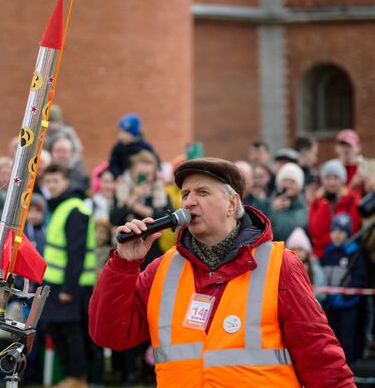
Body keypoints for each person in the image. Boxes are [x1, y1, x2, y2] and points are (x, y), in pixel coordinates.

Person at [89, 157, 355, 387]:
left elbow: (320, 358)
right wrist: (124, 264)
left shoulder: (279, 264)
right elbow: (109, 334)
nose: (189, 202)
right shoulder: (163, 269)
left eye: (202, 193)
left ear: (232, 203)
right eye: (185, 194)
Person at [41, 164, 98, 388]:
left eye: (56, 181)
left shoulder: (74, 208)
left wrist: (68, 289)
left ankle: (78, 378)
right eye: (48, 182)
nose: (51, 186)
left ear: (66, 182)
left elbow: (77, 253)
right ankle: (70, 378)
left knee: (72, 334)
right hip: (56, 283)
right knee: (58, 331)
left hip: (71, 286)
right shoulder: (60, 206)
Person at [321, 213, 368, 365]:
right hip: (331, 305)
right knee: (333, 337)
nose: (337, 235)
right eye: (334, 231)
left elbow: (360, 277)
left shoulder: (354, 253)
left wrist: (347, 295)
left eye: (341, 232)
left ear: (347, 233)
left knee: (349, 337)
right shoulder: (327, 254)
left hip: (348, 305)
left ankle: (351, 366)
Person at [308, 159, 362, 259]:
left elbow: (353, 228)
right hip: (322, 254)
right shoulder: (317, 202)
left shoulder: (352, 200)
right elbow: (315, 231)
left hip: (345, 253)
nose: (332, 183)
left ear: (342, 180)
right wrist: (324, 204)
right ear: (323, 181)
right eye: (328, 178)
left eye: (336, 178)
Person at [264, 162, 308, 241]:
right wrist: (272, 210)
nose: (288, 185)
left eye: (292, 182)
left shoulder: (304, 207)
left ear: (299, 186)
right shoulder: (267, 203)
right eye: (284, 181)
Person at [108, 113, 159, 179]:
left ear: (133, 134)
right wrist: (117, 175)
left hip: (141, 176)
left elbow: (155, 160)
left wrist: (157, 170)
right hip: (124, 178)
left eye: (124, 133)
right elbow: (113, 164)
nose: (120, 136)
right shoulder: (118, 148)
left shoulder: (144, 146)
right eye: (119, 133)